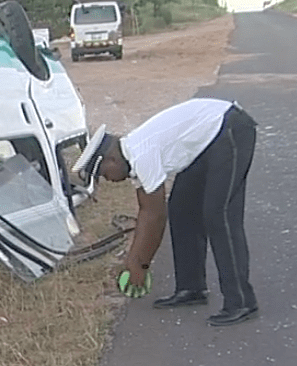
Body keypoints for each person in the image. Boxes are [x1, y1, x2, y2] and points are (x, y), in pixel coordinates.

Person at [74, 98, 258, 327]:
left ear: (111, 159)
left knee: (218, 215)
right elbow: (145, 212)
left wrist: (139, 265)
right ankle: (192, 288)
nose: (107, 179)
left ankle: (241, 301)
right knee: (181, 209)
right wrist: (135, 260)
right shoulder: (132, 156)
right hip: (206, 143)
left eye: (102, 173)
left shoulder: (141, 154)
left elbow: (155, 215)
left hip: (229, 129)